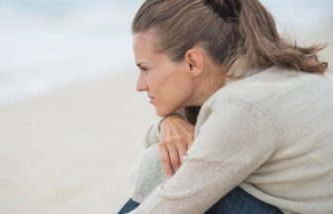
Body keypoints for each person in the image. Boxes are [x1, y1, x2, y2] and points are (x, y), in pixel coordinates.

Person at [119, 0, 333, 213]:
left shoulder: (243, 106)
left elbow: (174, 204)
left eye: (145, 68)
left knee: (165, 165)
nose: (140, 85)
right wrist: (169, 122)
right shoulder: (263, 70)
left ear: (193, 62)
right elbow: (160, 141)